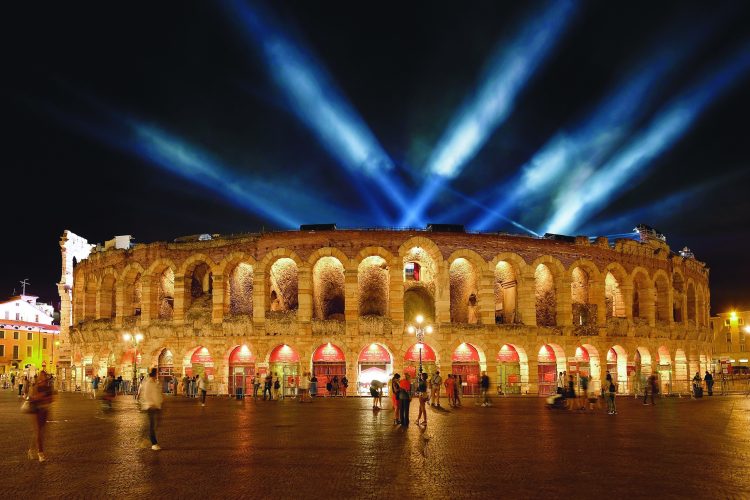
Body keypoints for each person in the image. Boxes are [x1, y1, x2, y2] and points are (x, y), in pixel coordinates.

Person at [27, 370, 54, 462]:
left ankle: (31, 450)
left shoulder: (48, 387)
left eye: (44, 376)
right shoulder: (35, 387)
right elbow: (31, 398)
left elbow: (51, 399)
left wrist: (43, 398)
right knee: (38, 432)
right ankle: (40, 453)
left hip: (44, 411)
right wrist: (40, 397)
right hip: (35, 411)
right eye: (41, 376)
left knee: (40, 433)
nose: (43, 378)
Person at [138, 368, 164, 451]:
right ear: (155, 374)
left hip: (156, 406)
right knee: (152, 425)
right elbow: (145, 395)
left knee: (153, 425)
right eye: (157, 374)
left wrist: (160, 402)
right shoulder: (148, 382)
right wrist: (151, 403)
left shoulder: (154, 382)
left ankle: (143, 438)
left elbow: (157, 394)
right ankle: (154, 444)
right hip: (150, 407)